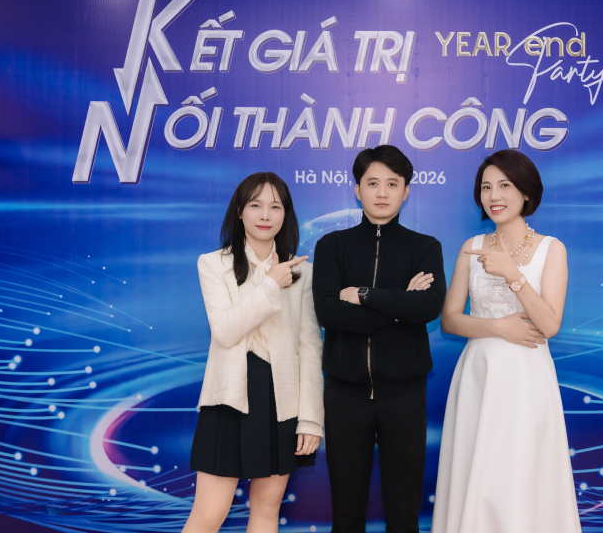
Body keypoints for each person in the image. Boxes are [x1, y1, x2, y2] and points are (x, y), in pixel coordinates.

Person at [431, 150, 581, 533]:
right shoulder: (472, 247)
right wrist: (500, 327)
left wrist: (513, 274)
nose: (494, 195)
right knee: (478, 474)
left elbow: (549, 324)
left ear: (526, 193)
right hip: (478, 375)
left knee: (520, 474)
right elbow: (449, 320)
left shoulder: (552, 248)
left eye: (504, 185)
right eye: (486, 187)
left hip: (527, 377)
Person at [312, 145, 446, 533]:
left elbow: (429, 306)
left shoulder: (425, 247)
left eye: (392, 183)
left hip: (405, 394)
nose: (382, 192)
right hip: (344, 394)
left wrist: (364, 295)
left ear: (406, 191)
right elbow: (329, 313)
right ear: (357, 190)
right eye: (372, 183)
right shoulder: (332, 246)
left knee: (403, 514)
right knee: (346, 513)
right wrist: (399, 305)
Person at [182, 172, 324, 533]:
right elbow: (225, 331)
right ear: (240, 212)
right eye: (255, 205)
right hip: (229, 399)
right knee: (209, 514)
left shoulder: (302, 272)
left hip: (282, 400)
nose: (265, 215)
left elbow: (309, 348)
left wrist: (310, 419)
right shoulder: (213, 263)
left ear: (286, 214)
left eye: (275, 206)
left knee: (266, 509)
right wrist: (270, 285)